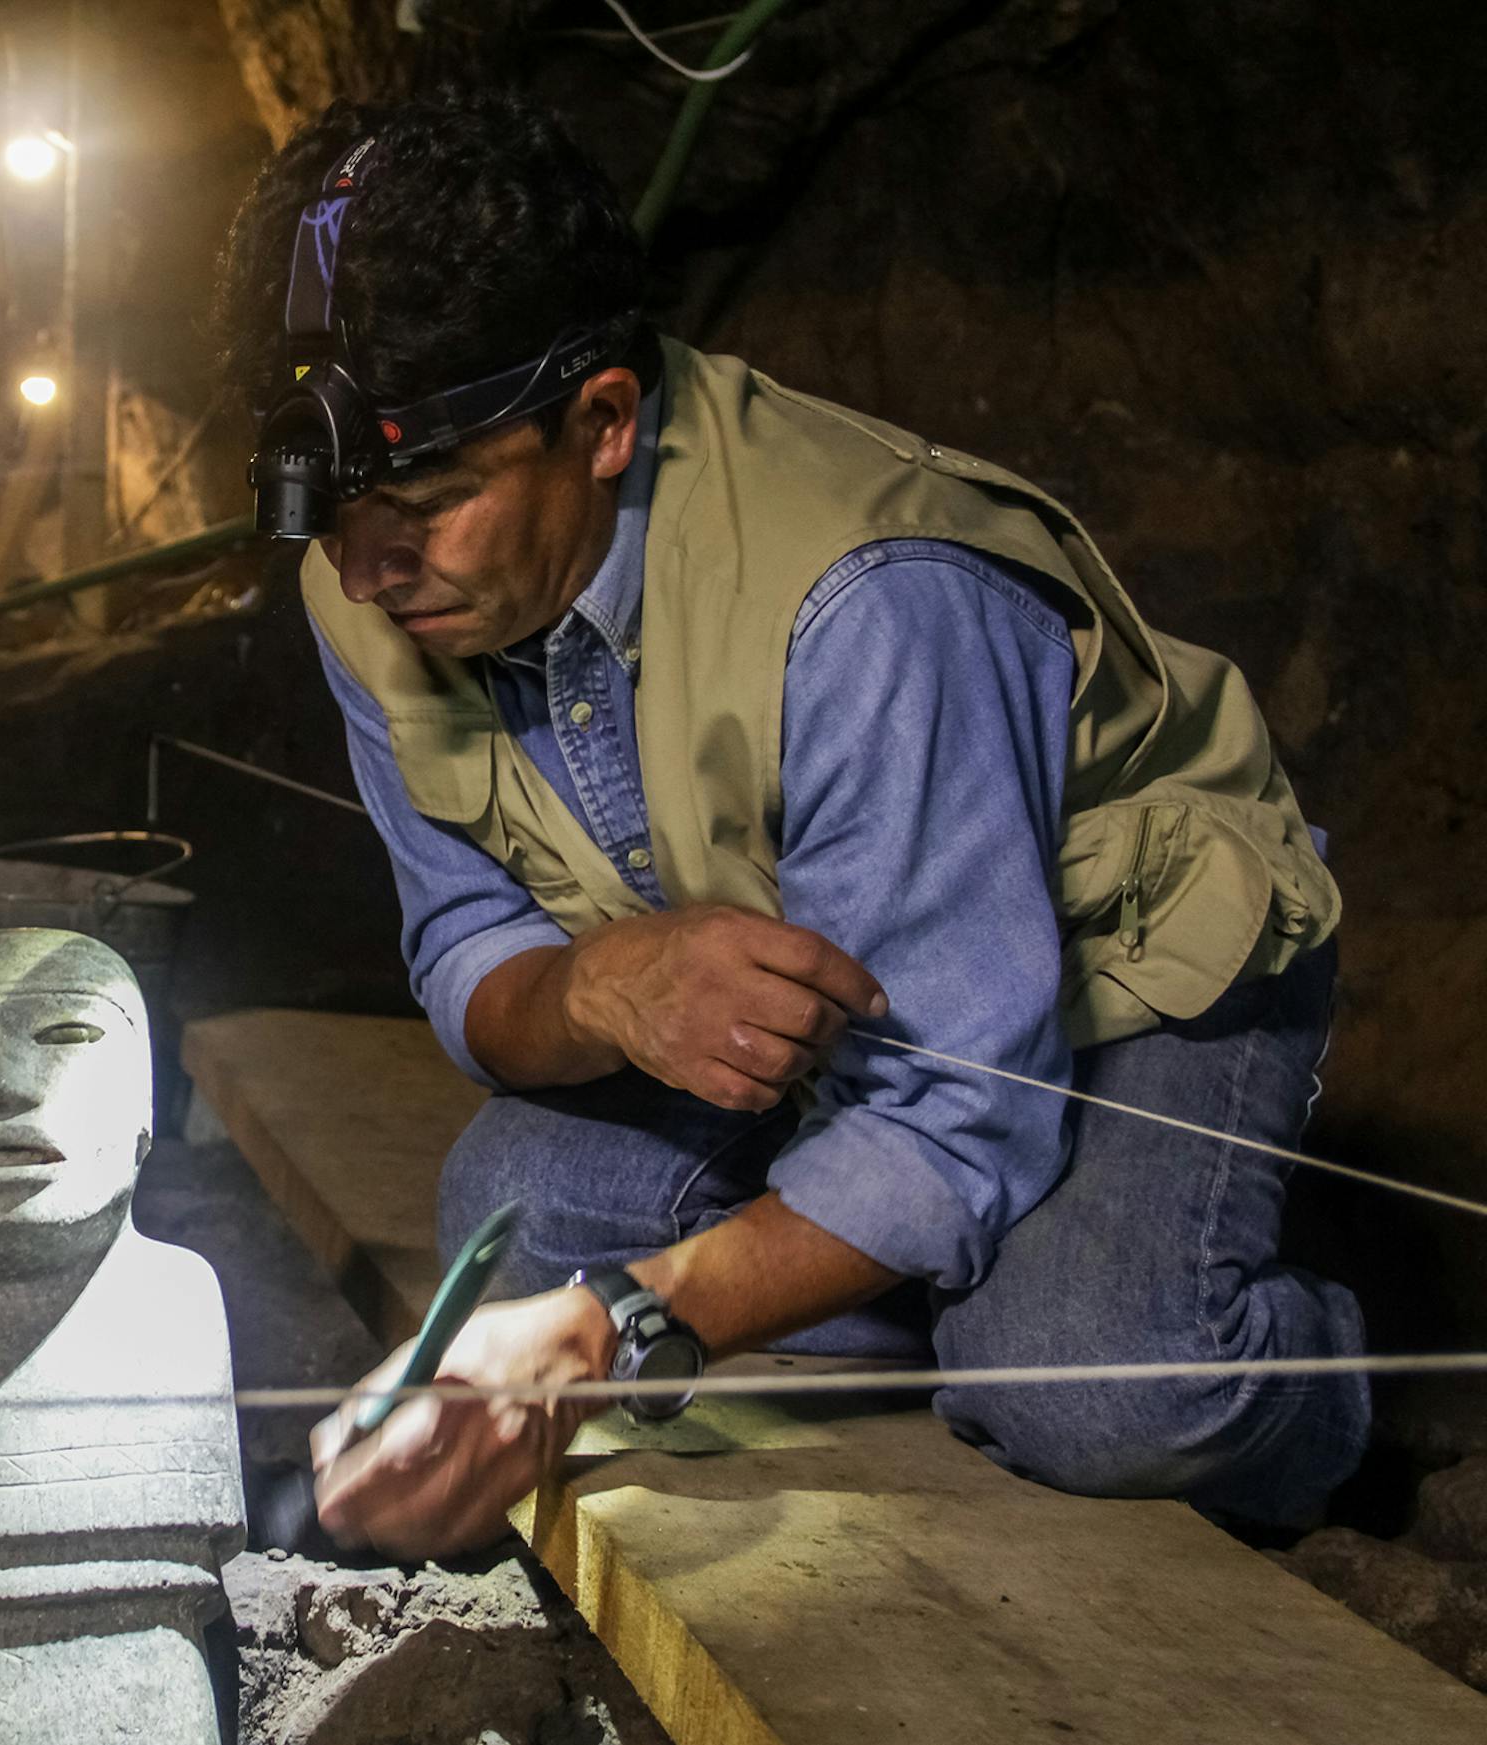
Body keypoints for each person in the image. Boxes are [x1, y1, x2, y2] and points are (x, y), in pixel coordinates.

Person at [213, 89, 1367, 1560]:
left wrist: (611, 1329)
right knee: (514, 1206)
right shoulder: (369, 568)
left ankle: (1304, 1375)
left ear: (604, 422)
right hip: (836, 996)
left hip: (1132, 970)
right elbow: (463, 936)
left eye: (429, 502)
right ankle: (930, 1284)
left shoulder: (871, 602)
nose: (371, 570)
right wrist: (593, 985)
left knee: (1100, 1384)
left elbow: (956, 1114)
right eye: (334, 512)